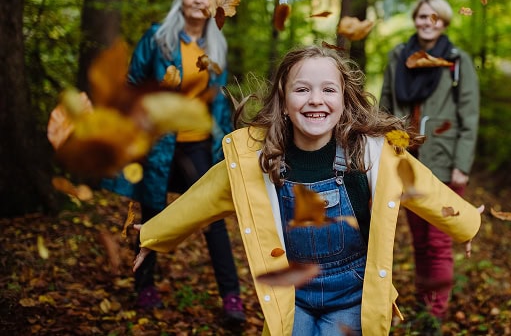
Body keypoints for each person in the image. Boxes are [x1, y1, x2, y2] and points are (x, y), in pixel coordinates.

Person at [133, 44, 482, 335]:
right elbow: (204, 198)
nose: (316, 99)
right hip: (290, 295)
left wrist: (465, 222)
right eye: (302, 89)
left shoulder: (370, 153)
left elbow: (424, 186)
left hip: (351, 296)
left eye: (328, 90)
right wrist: (153, 234)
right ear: (283, 101)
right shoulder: (258, 159)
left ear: (344, 99)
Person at [102, 0, 245, 322]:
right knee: (151, 215)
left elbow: (219, 102)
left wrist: (227, 143)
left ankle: (232, 299)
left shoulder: (215, 43)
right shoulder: (157, 38)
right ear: (181, 1)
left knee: (212, 219)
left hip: (199, 146)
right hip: (160, 145)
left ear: (213, 4)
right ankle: (145, 287)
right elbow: (133, 83)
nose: (197, 0)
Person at [380, 0, 480, 328]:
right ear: (415, 19)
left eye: (434, 17)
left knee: (438, 242)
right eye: (422, 16)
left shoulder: (457, 60)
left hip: (443, 160)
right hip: (406, 160)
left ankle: (433, 318)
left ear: (444, 21)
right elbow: (384, 105)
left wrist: (461, 166)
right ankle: (425, 305)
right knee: (420, 241)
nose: (427, 22)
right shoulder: (398, 56)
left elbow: (469, 116)